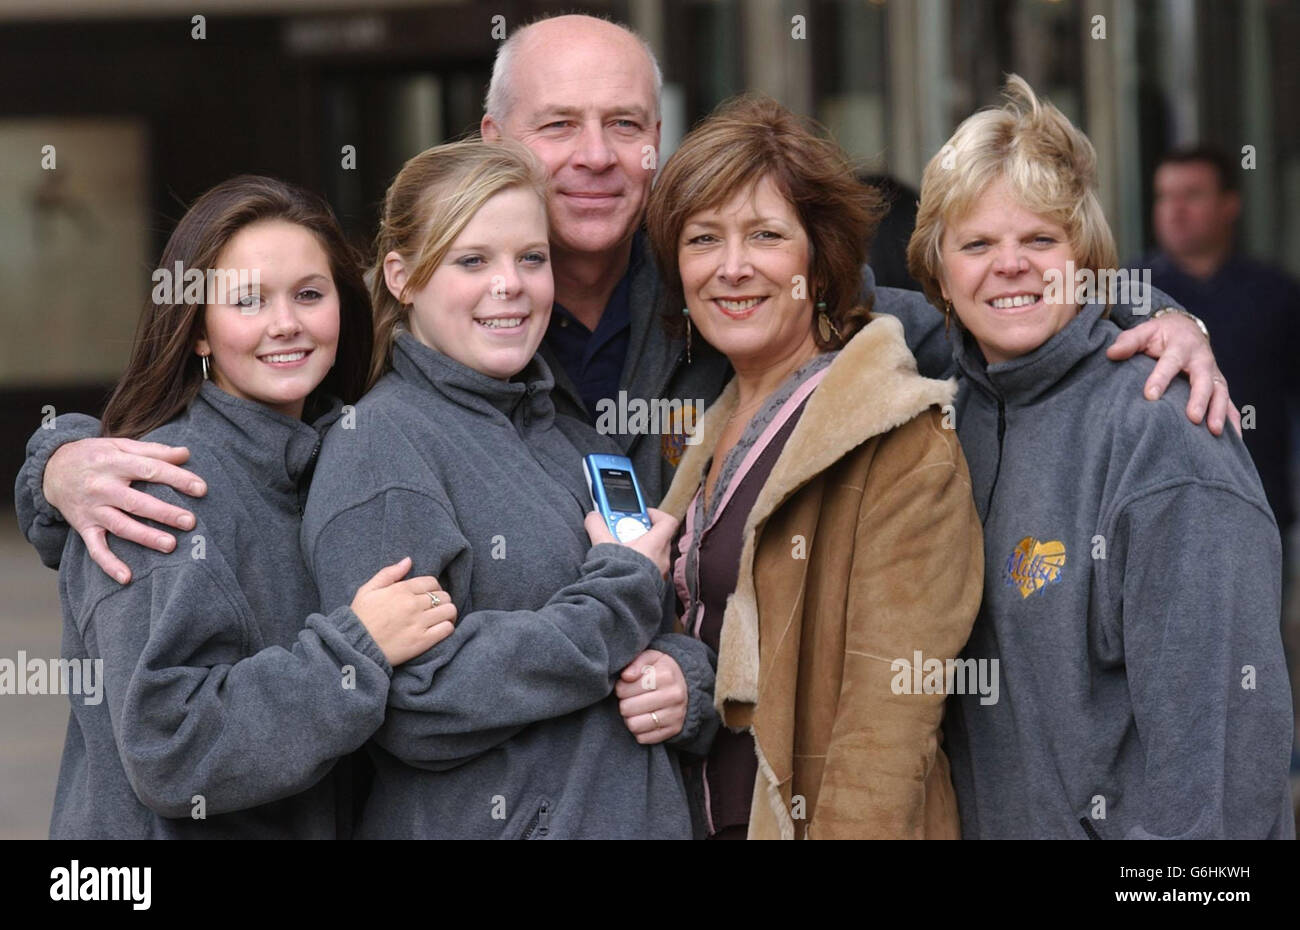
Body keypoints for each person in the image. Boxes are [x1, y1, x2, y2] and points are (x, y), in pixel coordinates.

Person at [18, 14, 1231, 593]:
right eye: (558, 126)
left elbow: (982, 320)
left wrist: (1158, 326)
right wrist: (60, 464)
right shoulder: (394, 340)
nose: (592, 156)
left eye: (623, 125)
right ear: (493, 138)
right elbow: (234, 412)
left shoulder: (739, 294)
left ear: (654, 145)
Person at [908, 77, 1295, 839]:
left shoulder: (1165, 428)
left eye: (1040, 240)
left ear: (1085, 258)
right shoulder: (939, 416)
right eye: (978, 243)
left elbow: (1216, 764)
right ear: (940, 275)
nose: (1009, 265)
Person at [300, 138, 715, 839]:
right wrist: (616, 598)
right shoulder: (377, 446)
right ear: (402, 277)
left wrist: (684, 683)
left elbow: (659, 624)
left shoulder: (573, 437)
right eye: (472, 260)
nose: (511, 284)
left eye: (531, 258)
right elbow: (414, 705)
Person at [45, 176, 456, 838]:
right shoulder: (160, 485)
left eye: (309, 294)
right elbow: (170, 750)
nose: (285, 323)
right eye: (247, 300)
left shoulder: (334, 457)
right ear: (198, 332)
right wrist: (356, 651)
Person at [643, 95, 983, 839]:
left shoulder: (897, 436)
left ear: (820, 257)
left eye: (765, 235)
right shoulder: (713, 425)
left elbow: (886, 731)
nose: (732, 268)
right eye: (704, 239)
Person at [1139, 145, 1300, 541]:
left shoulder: (1277, 294)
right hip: (1156, 514)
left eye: (1192, 195)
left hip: (1259, 507)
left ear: (1230, 205)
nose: (1174, 209)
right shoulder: (1128, 294)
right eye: (1164, 196)